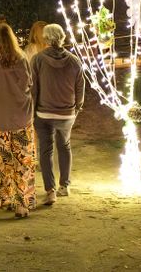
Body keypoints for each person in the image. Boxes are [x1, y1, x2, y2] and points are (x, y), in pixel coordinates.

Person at [0, 23, 38, 218]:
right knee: (24, 162)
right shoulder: (21, 59)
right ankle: (23, 204)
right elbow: (28, 84)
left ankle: (6, 198)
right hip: (22, 117)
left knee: (5, 162)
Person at [31, 24, 85, 205]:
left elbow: (33, 89)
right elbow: (80, 88)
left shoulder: (37, 60)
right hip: (67, 113)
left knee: (45, 151)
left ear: (45, 39)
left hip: (43, 113)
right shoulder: (74, 61)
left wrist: (33, 111)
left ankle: (50, 190)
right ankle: (65, 185)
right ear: (63, 37)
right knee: (65, 146)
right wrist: (76, 108)